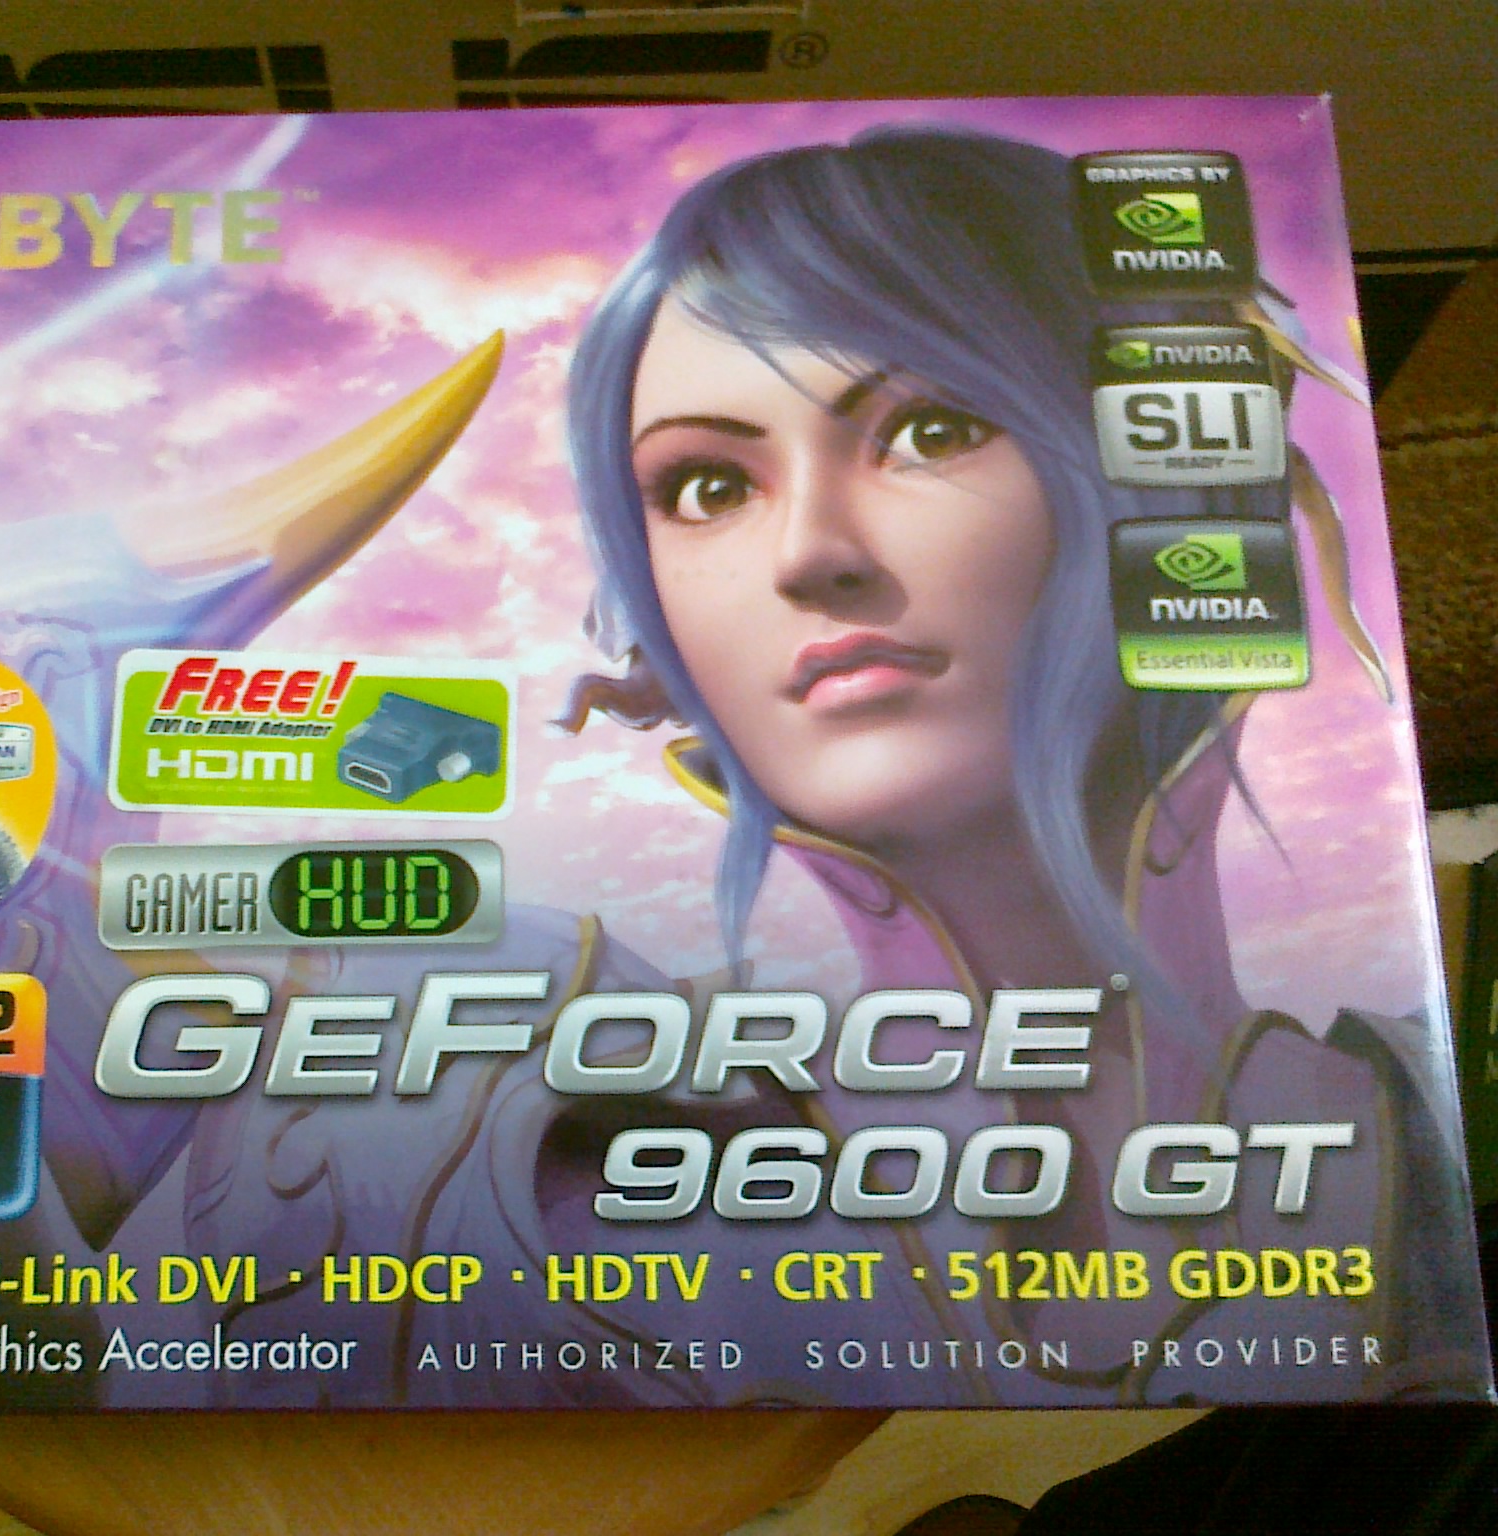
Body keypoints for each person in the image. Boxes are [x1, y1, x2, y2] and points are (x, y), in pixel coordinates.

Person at [187, 126, 1485, 1411]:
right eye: (706, 488)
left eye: (931, 428)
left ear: (1146, 476)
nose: (809, 554)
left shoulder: (1424, 1124)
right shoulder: (534, 1177)